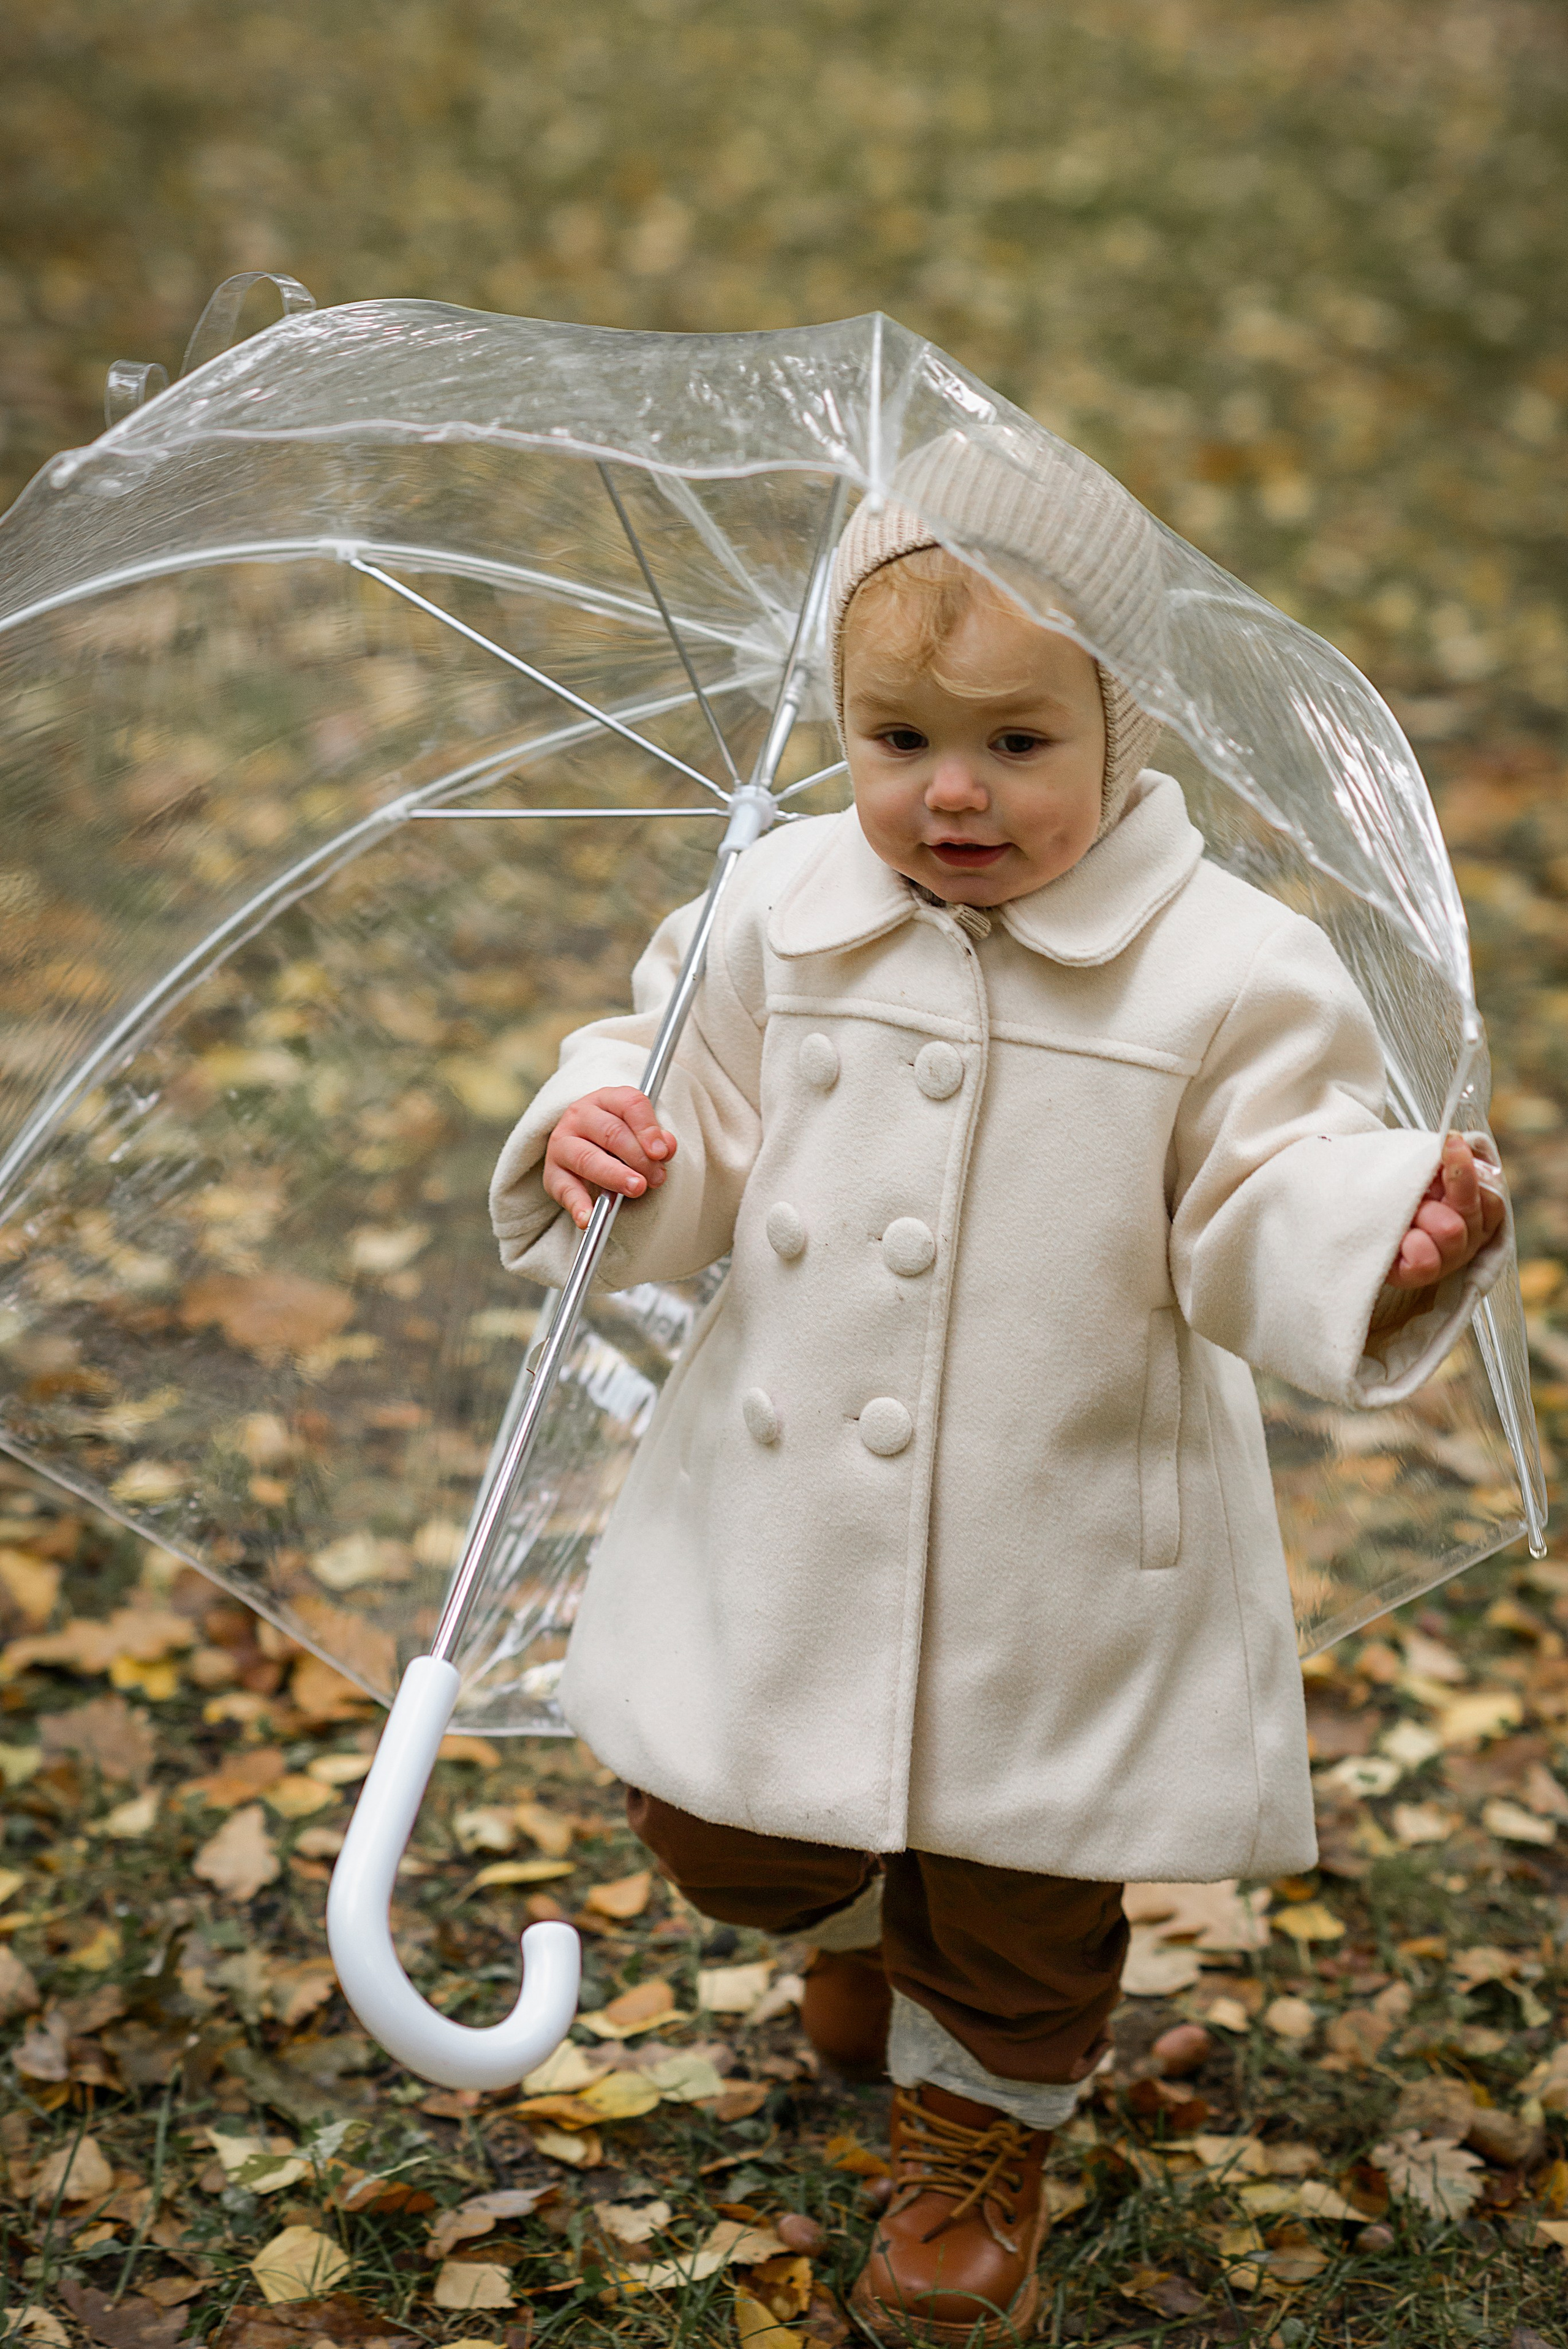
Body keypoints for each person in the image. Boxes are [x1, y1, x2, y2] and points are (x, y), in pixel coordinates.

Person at [489, 435, 1507, 2344]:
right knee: (729, 1824)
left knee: (1026, 1889)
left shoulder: (1222, 968)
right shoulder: (780, 906)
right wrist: (603, 1135)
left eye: (1018, 745)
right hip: (785, 1512)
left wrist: (1372, 1231)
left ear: (1118, 725)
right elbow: (685, 1119)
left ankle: (974, 2145)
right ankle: (854, 1925)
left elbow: (1262, 1187)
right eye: (894, 739)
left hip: (1062, 1524)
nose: (949, 793)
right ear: (840, 726)